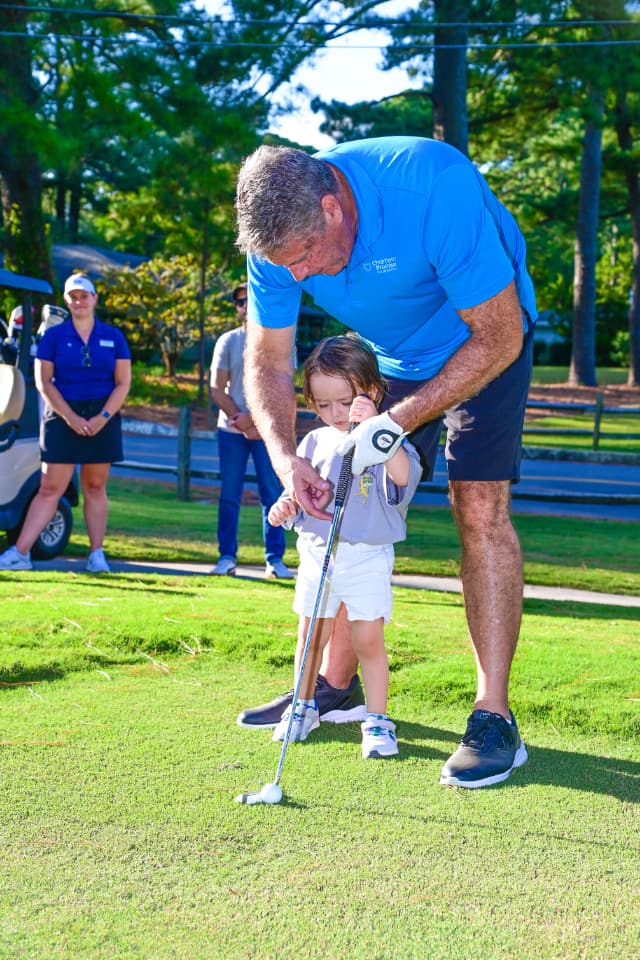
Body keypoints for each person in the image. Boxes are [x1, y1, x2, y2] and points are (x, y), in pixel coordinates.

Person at [234, 136, 536, 789]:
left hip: (482, 342)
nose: (301, 277)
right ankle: (334, 687)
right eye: (285, 267)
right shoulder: (280, 251)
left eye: (306, 258)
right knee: (343, 501)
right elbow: (266, 362)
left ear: (332, 207)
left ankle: (495, 718)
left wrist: (395, 423)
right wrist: (289, 461)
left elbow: (500, 333)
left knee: (478, 505)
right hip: (393, 362)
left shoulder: (429, 186)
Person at [268, 334, 422, 759]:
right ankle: (302, 708)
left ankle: (376, 721)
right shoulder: (312, 443)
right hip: (317, 554)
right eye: (322, 405)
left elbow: (405, 476)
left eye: (344, 401)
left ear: (371, 392)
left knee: (367, 640)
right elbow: (304, 496)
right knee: (309, 637)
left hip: (367, 557)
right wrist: (285, 507)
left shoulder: (388, 438)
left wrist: (377, 429)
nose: (334, 414)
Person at [0, 273, 131, 574]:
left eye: (84, 295)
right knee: (49, 488)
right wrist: (70, 418)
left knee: (95, 486)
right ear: (67, 300)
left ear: (95, 299)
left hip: (103, 416)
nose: (78, 301)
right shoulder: (53, 337)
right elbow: (44, 382)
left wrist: (103, 418)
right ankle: (20, 553)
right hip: (61, 416)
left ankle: (97, 556)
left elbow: (123, 383)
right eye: (73, 296)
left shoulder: (114, 337)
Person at [209, 283, 293, 579]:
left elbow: (285, 388)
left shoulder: (279, 342)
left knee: (273, 494)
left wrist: (259, 424)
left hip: (267, 433)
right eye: (239, 302)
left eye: (249, 300)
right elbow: (216, 388)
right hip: (231, 431)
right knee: (229, 495)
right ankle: (227, 557)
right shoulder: (227, 341)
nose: (244, 305)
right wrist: (240, 420)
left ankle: (275, 560)